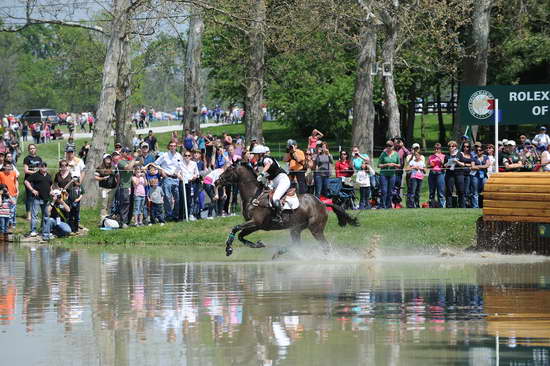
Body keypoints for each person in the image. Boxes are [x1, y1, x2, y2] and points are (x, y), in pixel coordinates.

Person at [252, 145, 291, 224]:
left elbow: (268, 164)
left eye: (255, 154)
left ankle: (278, 217)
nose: (254, 156)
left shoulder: (266, 159)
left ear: (260, 154)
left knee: (275, 198)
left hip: (282, 180)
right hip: (275, 181)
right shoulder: (261, 162)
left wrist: (262, 174)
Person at [155, 141, 184, 221]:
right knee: (167, 197)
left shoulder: (179, 155)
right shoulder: (164, 155)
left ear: (176, 147)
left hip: (176, 178)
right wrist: (161, 171)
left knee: (177, 198)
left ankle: (175, 215)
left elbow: (181, 166)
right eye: (171, 146)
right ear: (169, 147)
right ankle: (168, 214)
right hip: (167, 178)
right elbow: (155, 164)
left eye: (174, 146)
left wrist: (180, 174)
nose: (173, 147)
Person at [25, 162, 52, 237]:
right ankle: (33, 230)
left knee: (46, 215)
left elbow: (51, 185)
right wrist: (32, 190)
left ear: (46, 167)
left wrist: (51, 191)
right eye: (42, 166)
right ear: (39, 167)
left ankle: (44, 230)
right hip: (37, 198)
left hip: (46, 199)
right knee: (35, 215)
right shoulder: (35, 175)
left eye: (45, 166)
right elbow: (26, 181)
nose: (43, 168)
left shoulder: (49, 176)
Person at [116, 148, 138, 227]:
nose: (128, 153)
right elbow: (128, 167)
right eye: (126, 152)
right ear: (121, 153)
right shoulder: (120, 162)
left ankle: (128, 221)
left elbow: (140, 163)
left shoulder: (129, 161)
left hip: (131, 186)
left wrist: (141, 154)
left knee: (131, 203)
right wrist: (134, 158)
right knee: (125, 204)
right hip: (124, 186)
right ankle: (123, 222)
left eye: (129, 151)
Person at [378, 140, 400, 209]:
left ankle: (388, 205)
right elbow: (378, 165)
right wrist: (386, 164)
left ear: (393, 146)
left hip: (392, 175)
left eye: (390, 146)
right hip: (383, 175)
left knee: (390, 191)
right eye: (387, 146)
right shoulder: (383, 154)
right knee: (384, 191)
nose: (389, 147)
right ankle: (382, 205)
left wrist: (394, 164)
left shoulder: (396, 154)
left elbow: (399, 165)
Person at [23, 144, 43, 221]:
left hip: (37, 181)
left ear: (36, 149)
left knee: (36, 198)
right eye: (30, 149)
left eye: (33, 148)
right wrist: (35, 172)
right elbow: (26, 170)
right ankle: (28, 215)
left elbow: (41, 168)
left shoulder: (39, 158)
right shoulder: (26, 159)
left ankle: (35, 214)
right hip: (29, 180)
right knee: (29, 197)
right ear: (28, 150)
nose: (32, 150)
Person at [179, 150, 199, 221]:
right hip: (183, 183)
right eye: (185, 155)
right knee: (182, 200)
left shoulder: (194, 164)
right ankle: (182, 217)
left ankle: (189, 215)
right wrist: (180, 177)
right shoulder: (180, 164)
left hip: (191, 183)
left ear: (191, 157)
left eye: (188, 155)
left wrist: (194, 176)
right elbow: (177, 172)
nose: (187, 157)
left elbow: (197, 173)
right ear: (183, 157)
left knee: (190, 200)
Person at [455, 142, 476, 208]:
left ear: (469, 147)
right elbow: (456, 161)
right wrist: (465, 164)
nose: (465, 148)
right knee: (461, 190)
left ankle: (465, 205)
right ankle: (462, 206)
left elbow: (473, 165)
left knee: (466, 191)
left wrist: (464, 164)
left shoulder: (471, 155)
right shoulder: (460, 153)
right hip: (459, 174)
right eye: (464, 146)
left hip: (467, 174)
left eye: (467, 147)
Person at [0, 162, 18, 234]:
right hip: (4, 195)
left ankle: (10, 226)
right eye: (6, 166)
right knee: (4, 210)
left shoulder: (13, 173)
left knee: (12, 211)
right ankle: (3, 227)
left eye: (9, 166)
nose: (8, 168)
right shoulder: (1, 174)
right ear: (4, 167)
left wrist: (17, 189)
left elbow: (15, 181)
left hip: (12, 194)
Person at [427, 143, 446, 208]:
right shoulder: (430, 156)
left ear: (440, 149)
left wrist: (440, 159)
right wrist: (430, 165)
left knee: (440, 191)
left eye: (437, 149)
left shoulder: (443, 156)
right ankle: (431, 206)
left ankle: (442, 206)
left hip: (440, 173)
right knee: (432, 191)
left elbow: (445, 166)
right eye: (435, 148)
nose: (436, 150)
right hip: (432, 173)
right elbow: (427, 166)